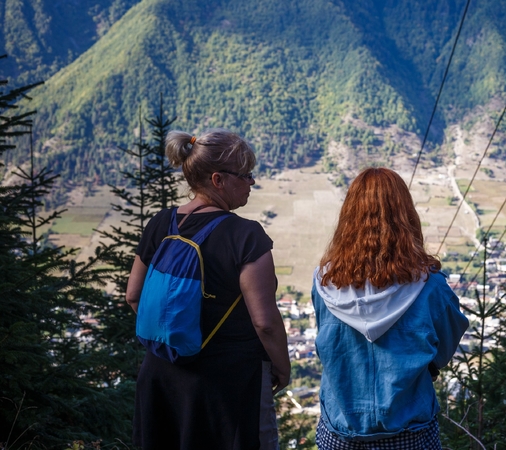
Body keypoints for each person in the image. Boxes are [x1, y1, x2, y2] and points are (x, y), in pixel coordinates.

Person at [126, 128, 291, 450]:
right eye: (245, 175)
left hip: (160, 373)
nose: (252, 182)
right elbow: (265, 322)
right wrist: (282, 369)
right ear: (218, 180)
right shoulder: (246, 236)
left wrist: (174, 336)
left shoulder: (161, 222)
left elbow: (133, 295)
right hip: (228, 384)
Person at [311, 167, 469, 449]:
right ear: (406, 216)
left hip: (341, 433)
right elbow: (443, 350)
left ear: (348, 218)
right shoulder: (430, 287)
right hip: (410, 433)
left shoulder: (324, 284)